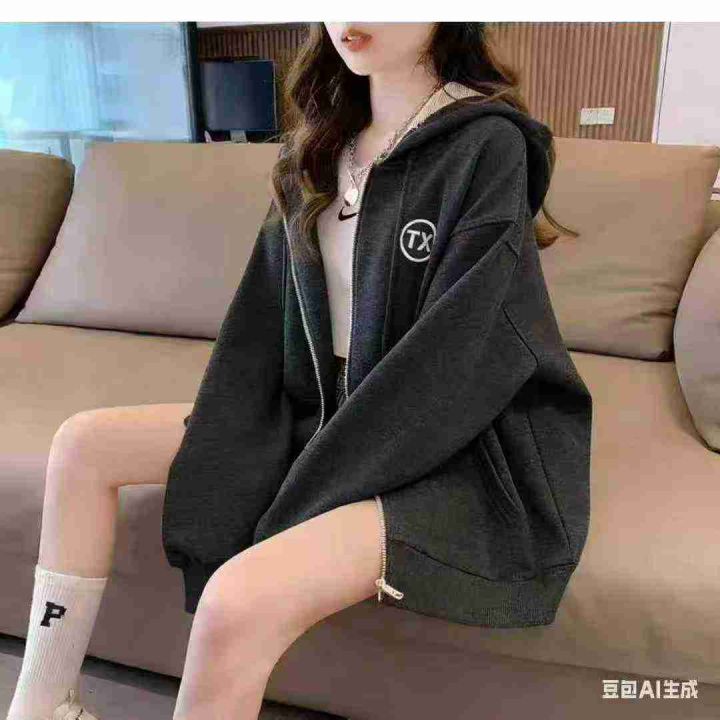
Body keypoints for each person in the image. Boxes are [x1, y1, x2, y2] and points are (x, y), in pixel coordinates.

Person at [6, 21, 593, 720]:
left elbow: (462, 353)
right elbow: (260, 324)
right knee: (82, 444)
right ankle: (42, 705)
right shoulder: (315, 148)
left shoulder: (486, 146)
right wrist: (236, 434)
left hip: (448, 444)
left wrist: (300, 492)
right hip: (319, 409)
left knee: (236, 600)